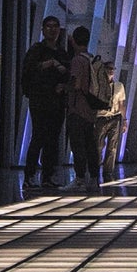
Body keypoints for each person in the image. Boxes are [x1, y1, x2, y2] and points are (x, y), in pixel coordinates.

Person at [20, 16, 72, 187]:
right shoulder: (37, 50)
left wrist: (63, 85)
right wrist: (49, 64)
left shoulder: (62, 53)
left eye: (55, 26)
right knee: (38, 137)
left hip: (57, 102)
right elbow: (28, 71)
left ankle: (48, 176)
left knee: (52, 139)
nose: (52, 30)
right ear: (43, 29)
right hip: (40, 100)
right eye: (49, 27)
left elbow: (69, 76)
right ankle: (30, 176)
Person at [65, 26, 107, 186]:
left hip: (78, 109)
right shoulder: (92, 59)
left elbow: (76, 84)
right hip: (91, 110)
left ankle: (80, 178)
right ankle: (95, 178)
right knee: (91, 145)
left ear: (74, 41)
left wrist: (64, 88)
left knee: (78, 145)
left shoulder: (77, 60)